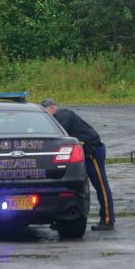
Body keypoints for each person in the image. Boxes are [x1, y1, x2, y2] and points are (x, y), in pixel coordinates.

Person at [40, 99, 115, 231]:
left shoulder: (63, 115)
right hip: (85, 153)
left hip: (93, 151)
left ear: (51, 108)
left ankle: (108, 220)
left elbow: (56, 135)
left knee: (101, 186)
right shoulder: (60, 116)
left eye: (45, 112)